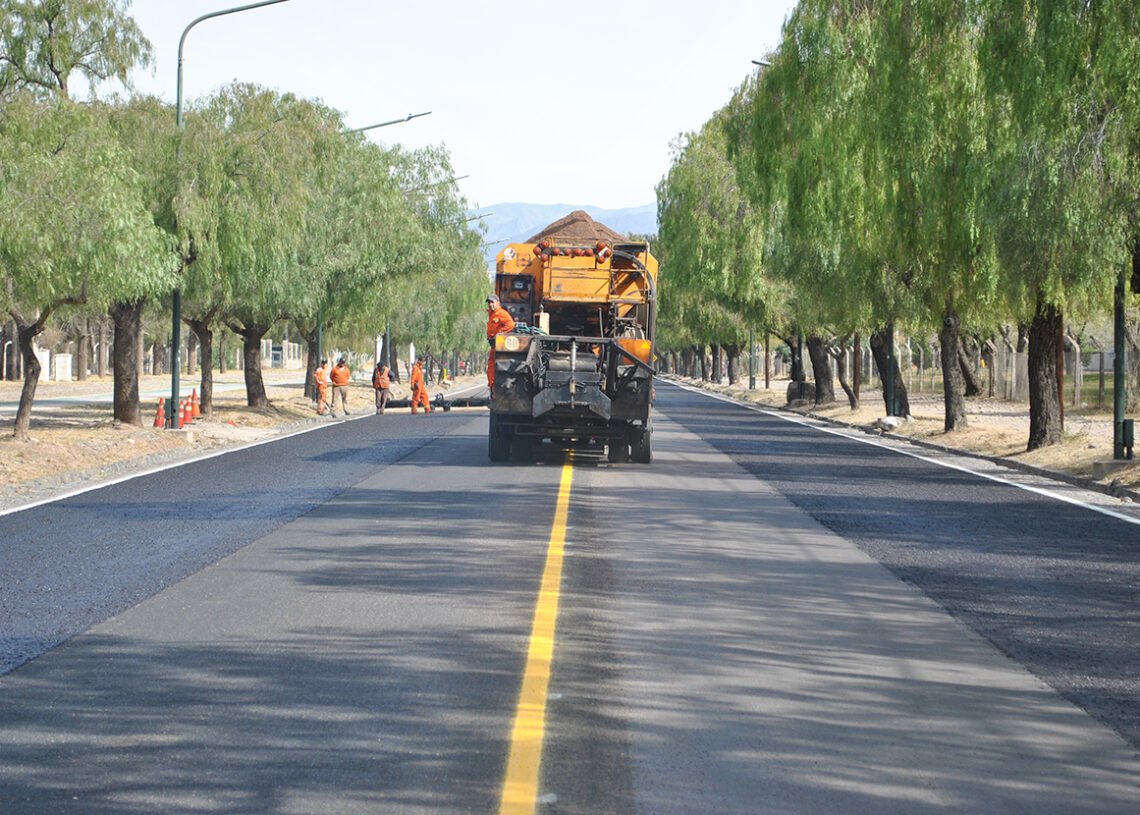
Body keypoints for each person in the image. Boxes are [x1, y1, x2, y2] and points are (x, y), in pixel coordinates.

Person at [485, 293, 516, 392]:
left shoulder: (501, 313)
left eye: (492, 302)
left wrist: (498, 335)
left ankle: (495, 387)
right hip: (494, 346)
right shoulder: (491, 314)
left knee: (496, 366)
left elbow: (510, 324)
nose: (490, 304)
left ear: (498, 303)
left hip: (499, 344)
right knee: (491, 366)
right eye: (489, 302)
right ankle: (492, 387)